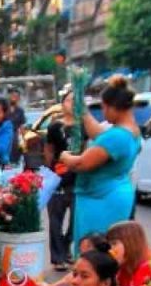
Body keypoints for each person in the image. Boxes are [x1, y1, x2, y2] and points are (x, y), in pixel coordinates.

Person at [58, 76, 141, 245]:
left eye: (104, 107)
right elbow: (101, 136)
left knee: (95, 251)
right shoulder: (129, 130)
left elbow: (82, 164)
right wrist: (84, 112)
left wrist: (64, 156)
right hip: (111, 193)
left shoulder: (118, 136)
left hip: (102, 198)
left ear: (114, 107)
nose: (103, 112)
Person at [44, 99, 75, 270]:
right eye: (69, 100)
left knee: (76, 220)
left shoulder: (85, 126)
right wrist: (50, 173)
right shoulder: (55, 127)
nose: (72, 103)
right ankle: (58, 257)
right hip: (59, 176)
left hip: (80, 179)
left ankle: (66, 247)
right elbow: (49, 148)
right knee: (56, 218)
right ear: (62, 104)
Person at [105, 220, 151, 286]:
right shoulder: (125, 268)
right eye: (109, 245)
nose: (110, 250)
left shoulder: (147, 269)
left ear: (130, 243)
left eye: (114, 243)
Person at [6, 87, 28, 168]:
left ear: (18, 98)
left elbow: (22, 126)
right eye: (12, 96)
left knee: (15, 159)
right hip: (4, 135)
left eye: (16, 97)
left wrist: (25, 140)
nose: (14, 98)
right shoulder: (4, 109)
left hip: (14, 137)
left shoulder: (20, 111)